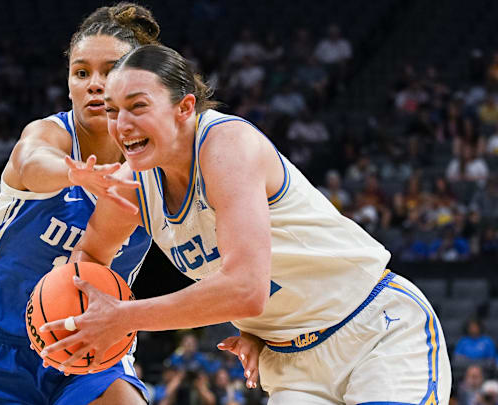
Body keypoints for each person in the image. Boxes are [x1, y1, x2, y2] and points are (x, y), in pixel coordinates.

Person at [40, 44, 452, 403]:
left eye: (138, 106)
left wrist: (124, 317)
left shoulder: (226, 145)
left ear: (185, 107)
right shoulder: (132, 184)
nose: (121, 125)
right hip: (289, 362)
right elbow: (89, 260)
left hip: (373, 329)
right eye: (113, 111)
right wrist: (76, 319)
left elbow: (245, 288)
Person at [0, 3, 161, 404]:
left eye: (110, 70)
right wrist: (73, 173)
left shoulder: (155, 168)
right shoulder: (52, 137)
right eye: (81, 73)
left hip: (93, 339)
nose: (94, 83)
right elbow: (30, 160)